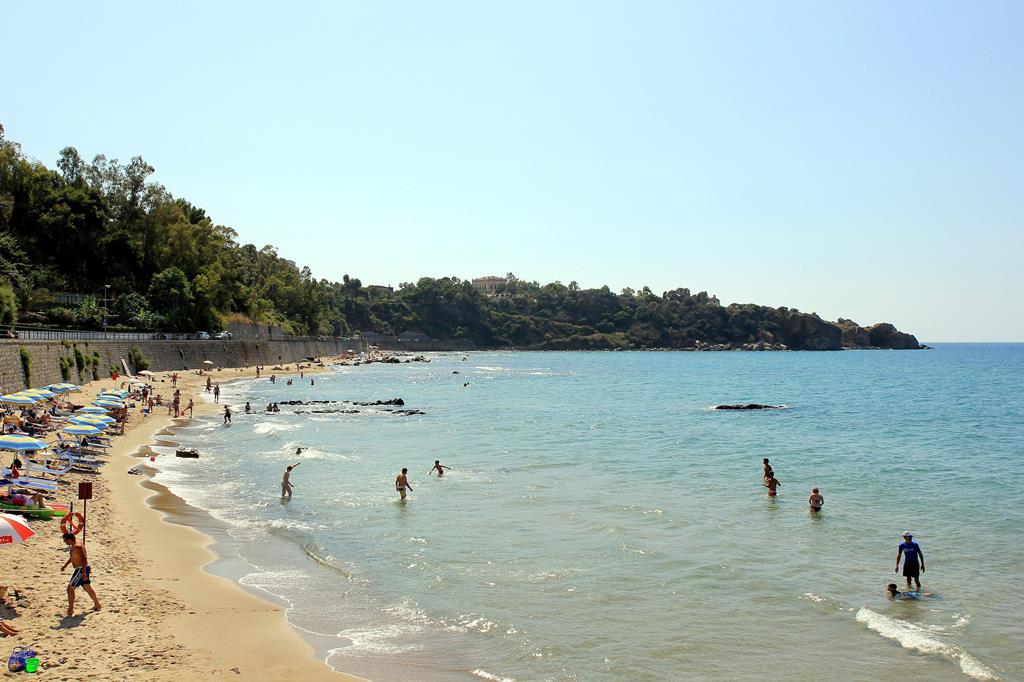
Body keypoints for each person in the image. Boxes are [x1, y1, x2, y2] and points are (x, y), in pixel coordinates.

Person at [62, 533, 101, 617]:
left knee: (70, 589)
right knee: (87, 587)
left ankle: (70, 610)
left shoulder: (77, 546)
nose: (65, 542)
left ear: (69, 540)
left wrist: (83, 572)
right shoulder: (75, 545)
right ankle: (97, 604)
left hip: (81, 569)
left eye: (65, 540)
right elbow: (73, 557)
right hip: (82, 569)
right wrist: (65, 565)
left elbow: (84, 559)